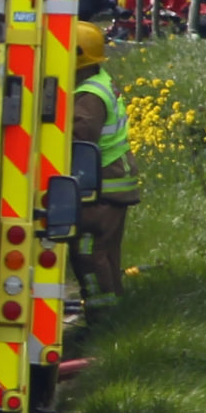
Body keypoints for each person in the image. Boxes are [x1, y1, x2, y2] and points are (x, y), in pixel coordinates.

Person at [69, 22, 139, 311]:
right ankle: (112, 317)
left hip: (102, 187)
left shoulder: (88, 97)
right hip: (113, 183)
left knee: (88, 251)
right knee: (107, 253)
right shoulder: (100, 80)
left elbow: (77, 138)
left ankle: (102, 317)